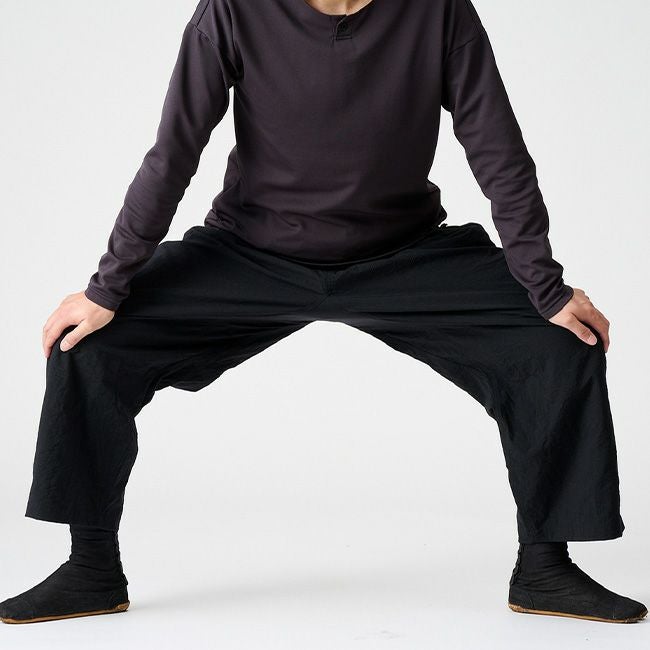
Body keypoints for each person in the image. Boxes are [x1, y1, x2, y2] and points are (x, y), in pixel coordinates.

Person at [0, 0, 645, 626]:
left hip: (404, 255)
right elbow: (173, 152)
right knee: (89, 343)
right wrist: (107, 287)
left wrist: (546, 288)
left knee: (560, 339)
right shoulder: (233, 9)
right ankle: (91, 568)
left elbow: (499, 154)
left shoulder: (439, 10)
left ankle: (545, 568)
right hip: (251, 252)